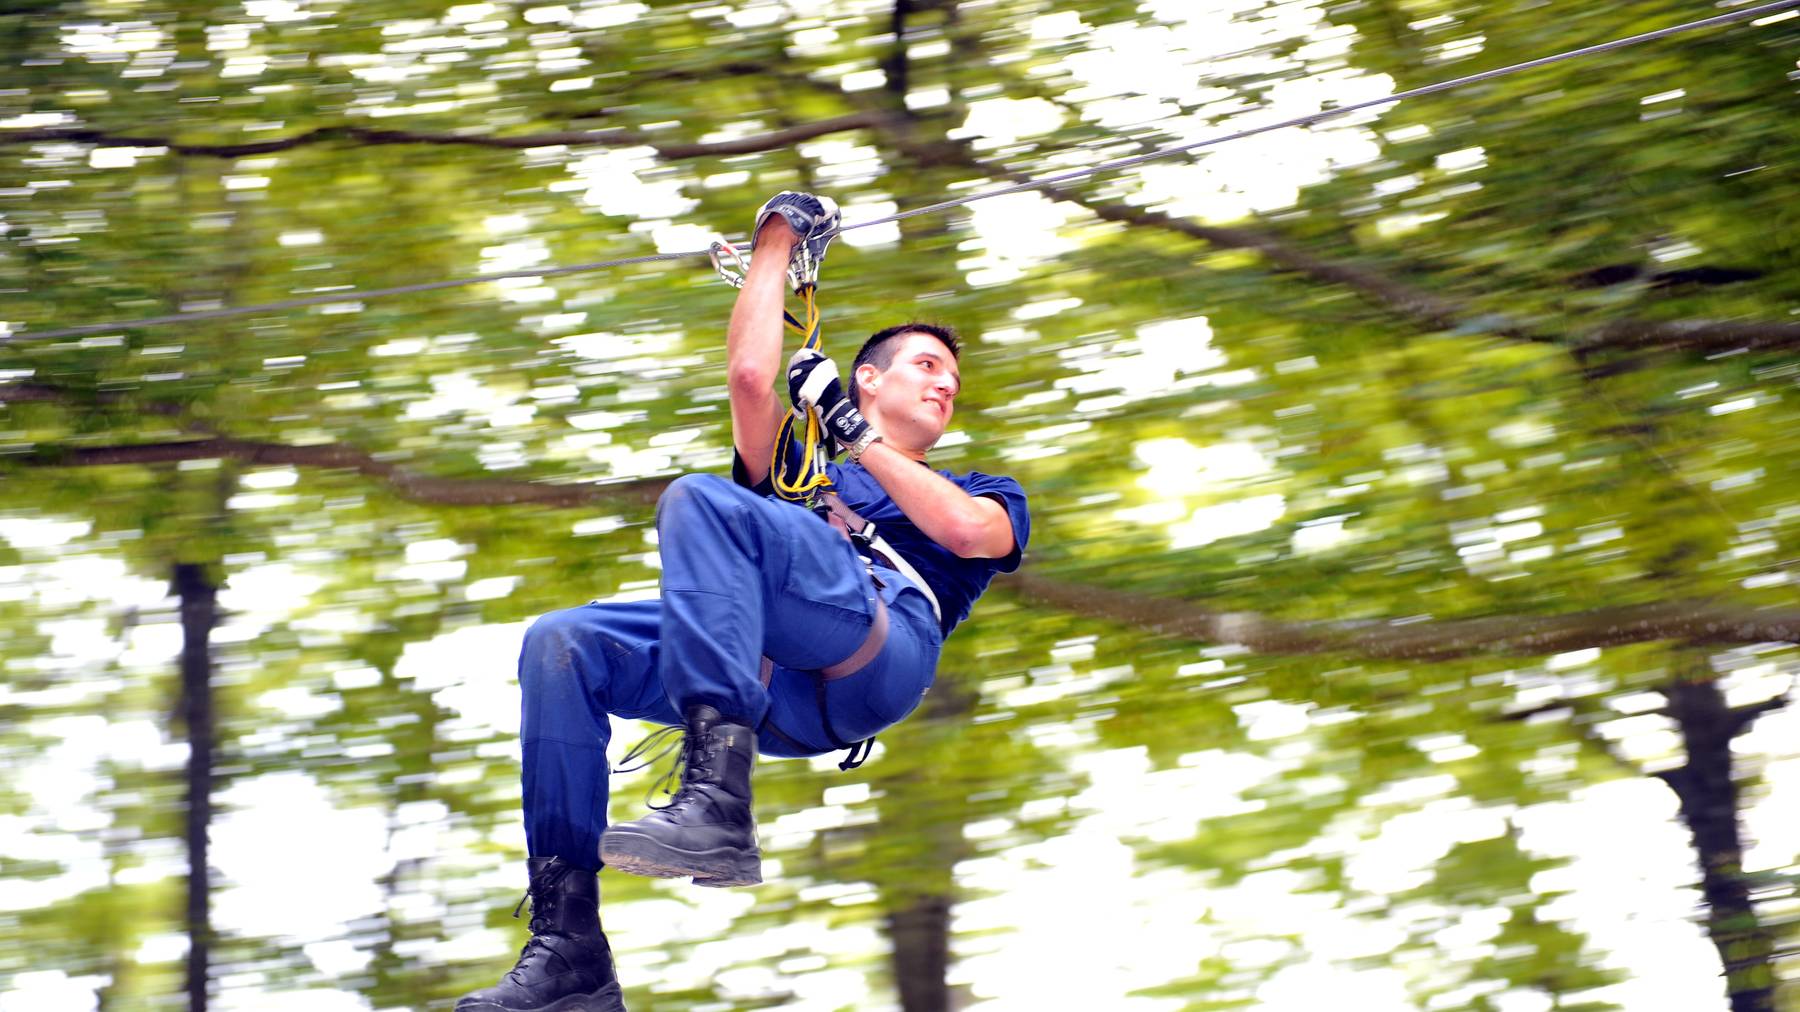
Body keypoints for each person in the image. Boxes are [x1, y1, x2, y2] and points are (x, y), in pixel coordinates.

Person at [456, 192, 1031, 1012]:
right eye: (927, 366)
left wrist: (852, 432)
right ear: (868, 378)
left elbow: (971, 534)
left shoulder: (982, 488)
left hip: (876, 648)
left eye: (954, 379)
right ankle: (568, 945)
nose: (946, 385)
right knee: (561, 643)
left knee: (701, 500)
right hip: (772, 681)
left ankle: (717, 799)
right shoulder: (800, 466)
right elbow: (752, 375)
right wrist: (776, 241)